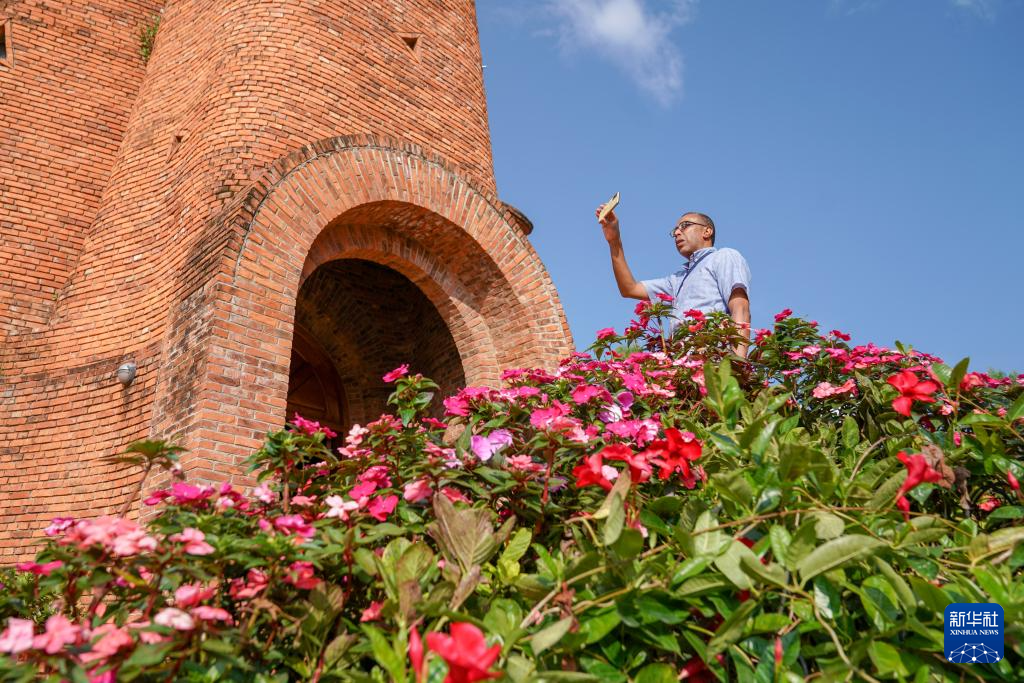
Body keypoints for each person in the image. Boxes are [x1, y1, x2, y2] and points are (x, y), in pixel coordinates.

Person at [596, 206, 751, 357]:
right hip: (685, 369)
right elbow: (630, 289)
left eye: (685, 226)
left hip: (714, 360)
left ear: (707, 231)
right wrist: (614, 241)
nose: (677, 232)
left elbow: (740, 308)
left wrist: (738, 365)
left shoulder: (724, 256)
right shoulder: (677, 280)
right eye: (675, 230)